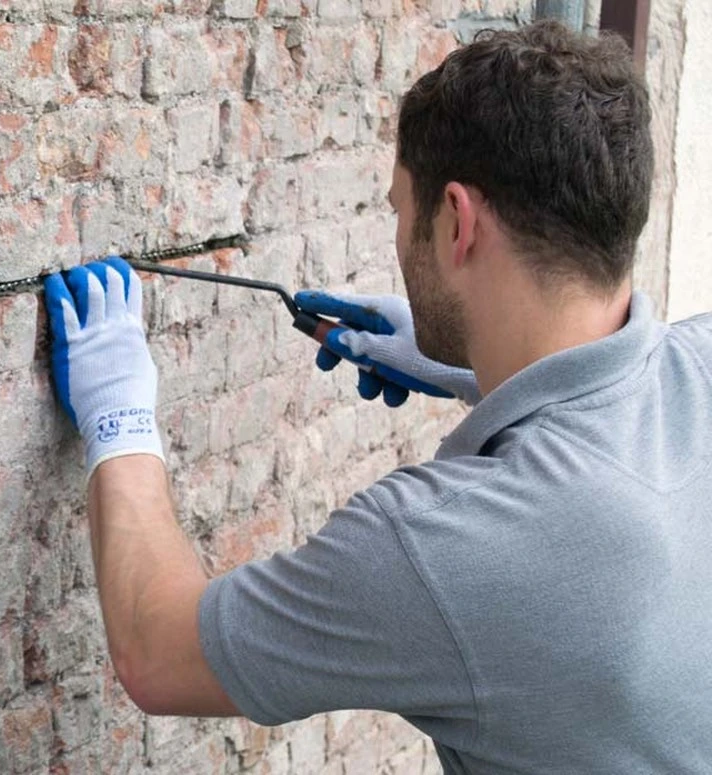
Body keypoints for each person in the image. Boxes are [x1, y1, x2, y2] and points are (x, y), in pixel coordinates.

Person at [42, 20, 711, 775]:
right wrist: (475, 370)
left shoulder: (447, 546)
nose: (400, 240)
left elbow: (158, 650)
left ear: (457, 222)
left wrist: (118, 411)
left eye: (400, 211)